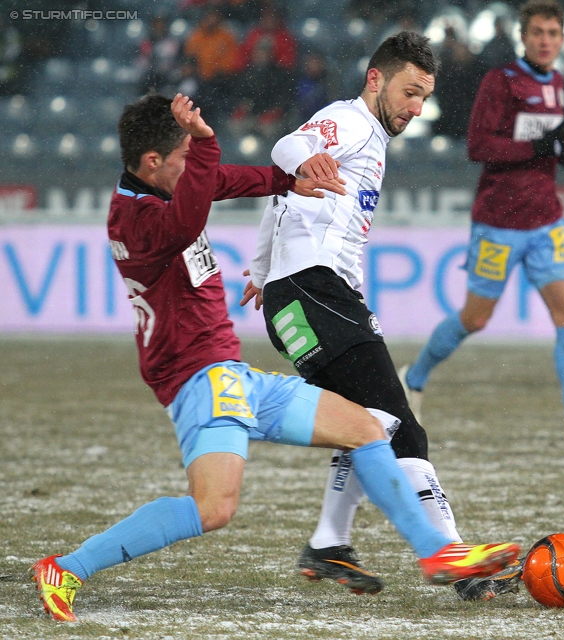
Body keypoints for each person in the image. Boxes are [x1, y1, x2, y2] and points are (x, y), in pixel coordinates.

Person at [31, 93, 520, 622]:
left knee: (369, 429)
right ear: (153, 163)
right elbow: (194, 205)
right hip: (200, 381)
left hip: (231, 375)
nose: (193, 169)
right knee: (213, 509)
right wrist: (208, 143)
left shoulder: (161, 189)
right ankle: (68, 567)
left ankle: (435, 552)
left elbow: (218, 183)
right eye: (183, 160)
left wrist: (289, 181)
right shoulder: (137, 220)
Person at [241, 31, 507, 599]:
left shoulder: (373, 141)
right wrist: (305, 159)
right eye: (409, 93)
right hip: (315, 291)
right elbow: (287, 149)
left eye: (424, 99)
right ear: (375, 79)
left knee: (367, 426)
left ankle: (330, 544)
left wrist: (262, 270)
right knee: (401, 427)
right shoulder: (353, 122)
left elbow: (283, 193)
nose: (416, 109)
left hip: (312, 294)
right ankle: (454, 561)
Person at [399, 0, 564, 458]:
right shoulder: (500, 82)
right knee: (476, 319)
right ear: (523, 37)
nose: (545, 40)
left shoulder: (558, 83)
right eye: (537, 32)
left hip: (546, 219)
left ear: (562, 40)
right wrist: (537, 146)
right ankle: (413, 378)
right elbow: (478, 146)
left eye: (552, 33)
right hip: (499, 222)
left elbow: (549, 140)